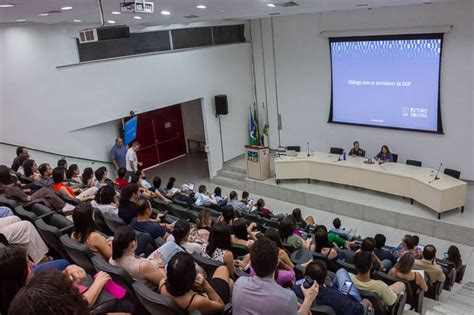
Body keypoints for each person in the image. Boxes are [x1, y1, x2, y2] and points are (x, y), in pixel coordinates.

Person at [232, 237, 318, 315]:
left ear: (252, 264)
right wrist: (308, 299)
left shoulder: (239, 283)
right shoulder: (287, 297)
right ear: (277, 262)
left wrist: (293, 304)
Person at [158, 252, 231, 314]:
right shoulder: (197, 301)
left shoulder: (162, 284)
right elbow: (221, 306)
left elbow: (166, 278)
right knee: (223, 269)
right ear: (192, 277)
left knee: (230, 282)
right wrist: (206, 285)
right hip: (208, 304)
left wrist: (161, 267)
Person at [292, 260, 371, 315]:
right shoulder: (337, 299)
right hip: (350, 300)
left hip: (333, 292)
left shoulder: (295, 289)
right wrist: (364, 302)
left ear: (305, 276)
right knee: (342, 271)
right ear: (325, 278)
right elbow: (357, 311)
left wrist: (328, 285)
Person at [0, 165, 70, 212]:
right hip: (23, 205)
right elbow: (28, 198)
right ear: (6, 175)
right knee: (44, 190)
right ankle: (64, 206)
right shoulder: (11, 188)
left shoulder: (3, 187)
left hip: (19, 205)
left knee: (46, 199)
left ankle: (63, 210)